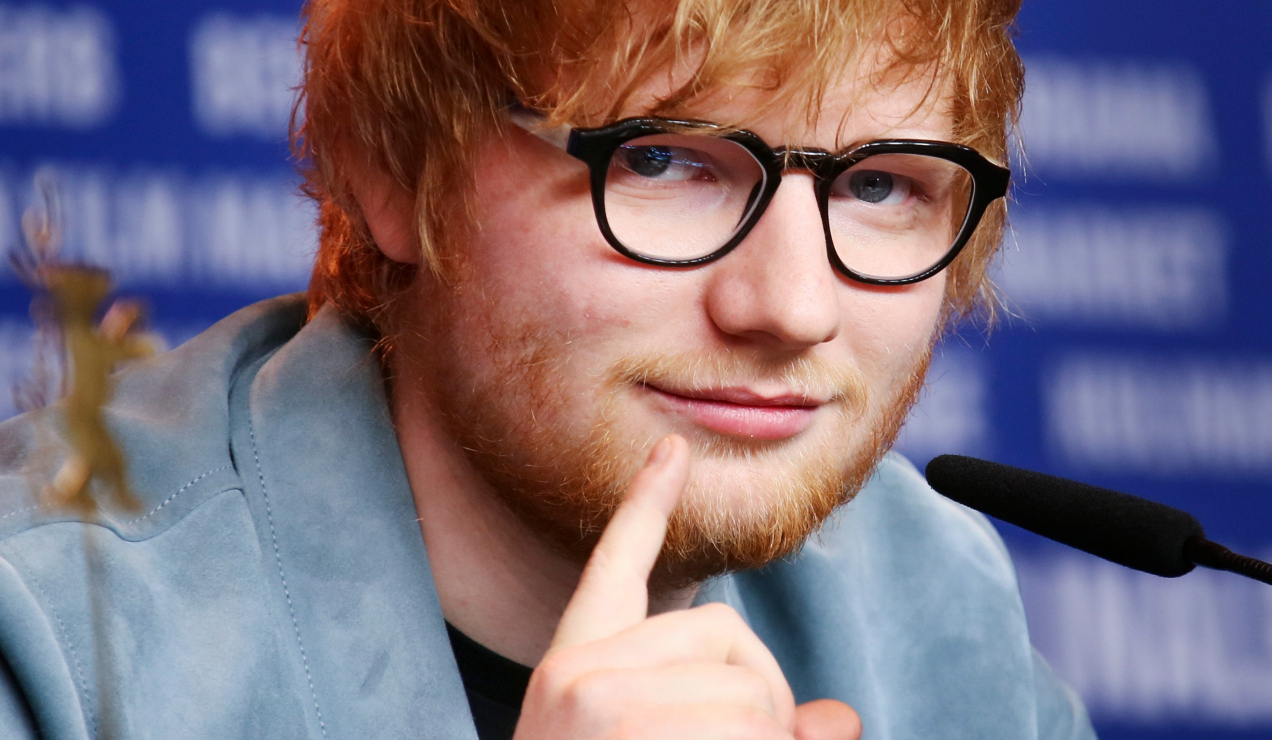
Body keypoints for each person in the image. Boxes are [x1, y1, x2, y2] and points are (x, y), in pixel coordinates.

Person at [0, 0, 1096, 738]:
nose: (794, 307)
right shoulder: (48, 629)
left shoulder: (938, 604)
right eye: (663, 160)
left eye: (881, 185)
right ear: (395, 168)